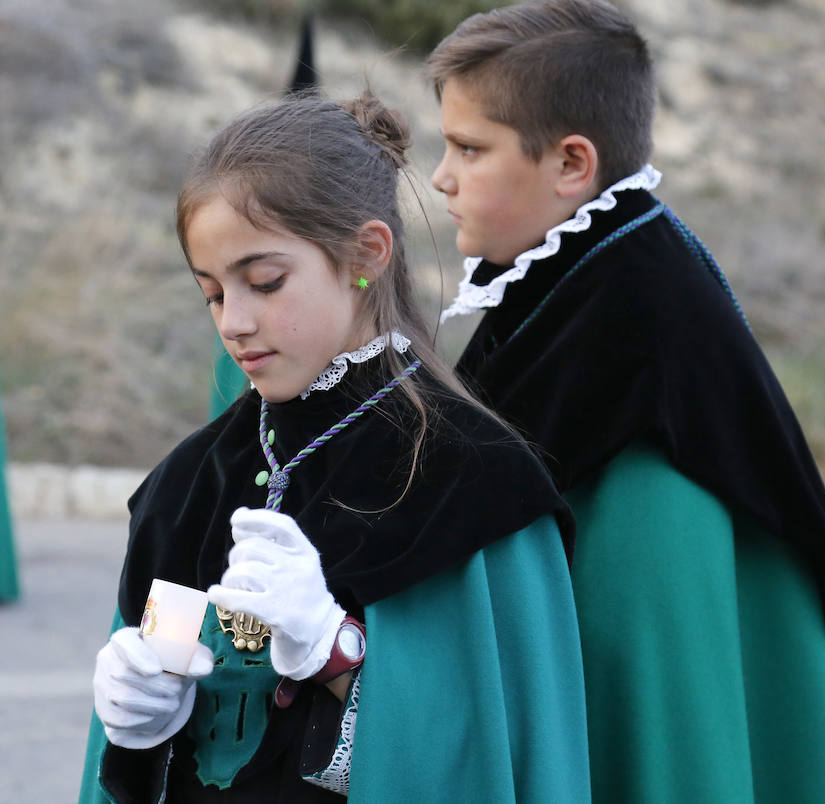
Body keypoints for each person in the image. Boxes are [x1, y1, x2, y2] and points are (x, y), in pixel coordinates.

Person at [428, 0, 825, 803]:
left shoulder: (633, 322)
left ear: (572, 165)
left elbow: (653, 679)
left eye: (469, 148)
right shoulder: (582, 269)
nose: (441, 177)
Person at [79, 92, 590, 803]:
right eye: (213, 294)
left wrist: (336, 652)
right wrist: (143, 727)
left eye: (264, 282)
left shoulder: (472, 477)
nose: (235, 321)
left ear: (365, 255)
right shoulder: (189, 481)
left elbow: (485, 754)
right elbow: (169, 683)